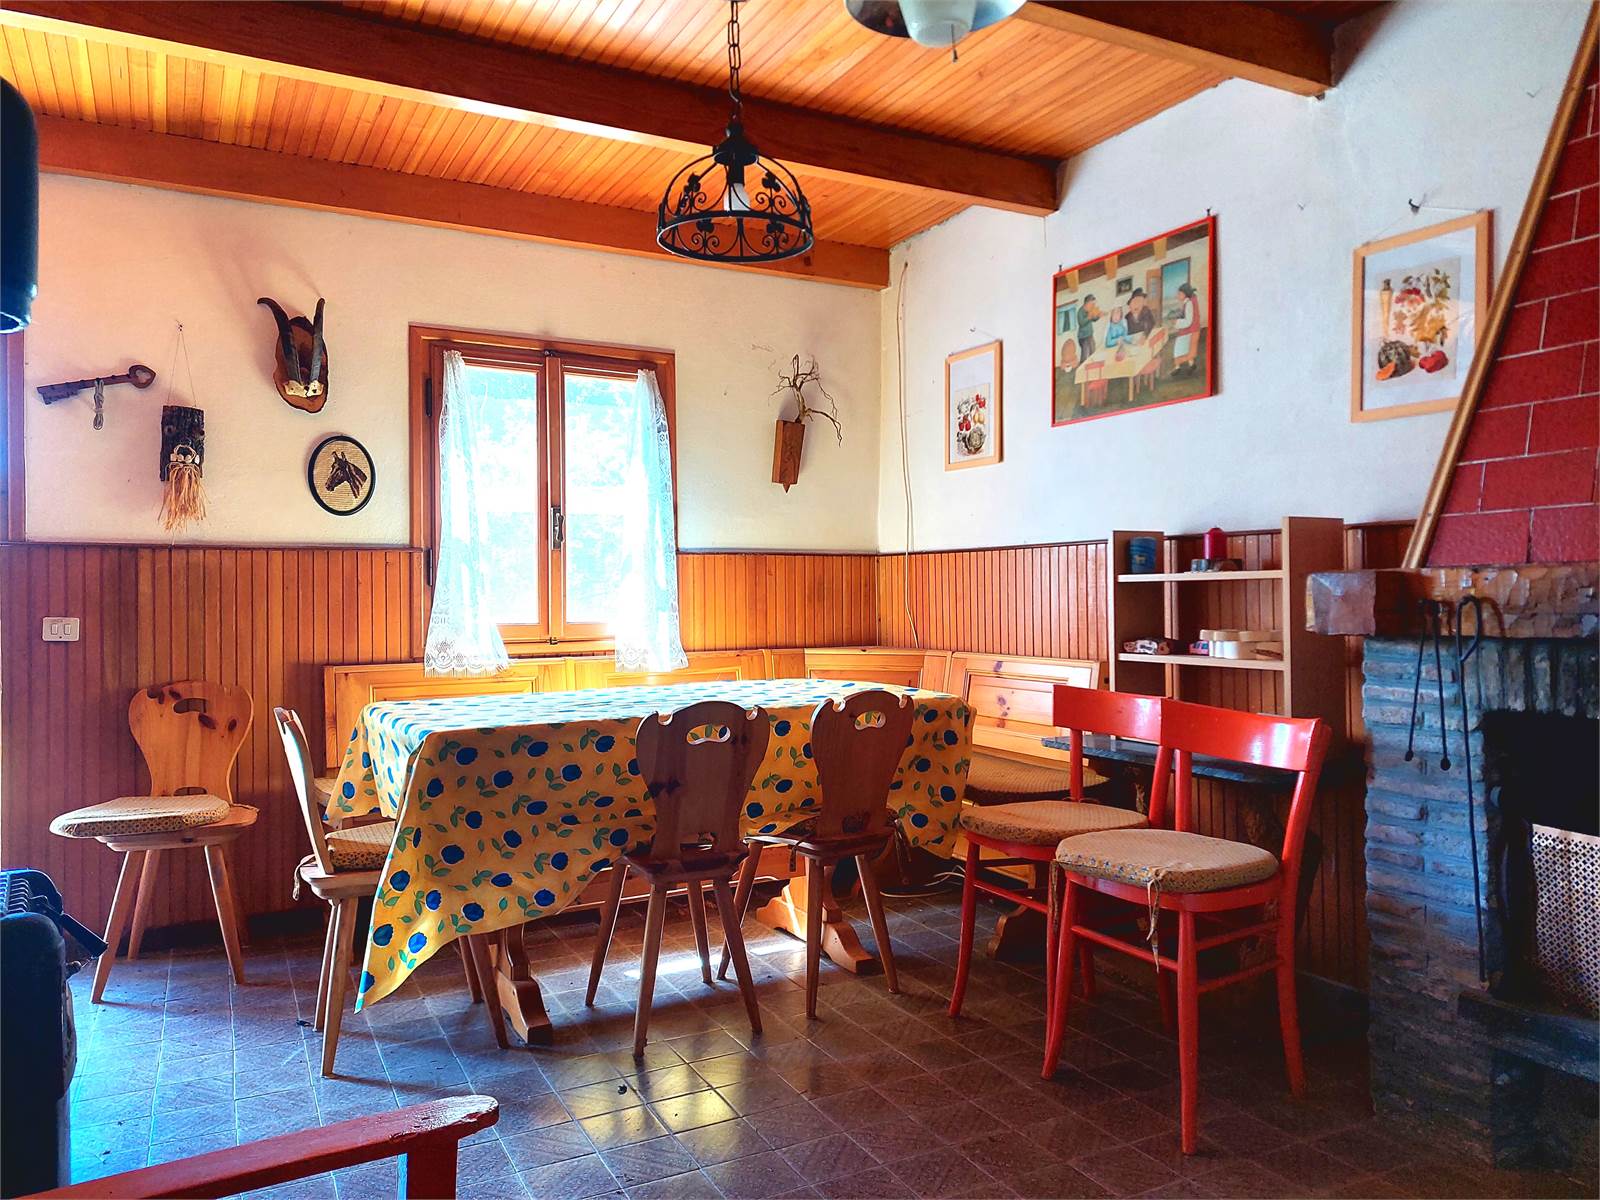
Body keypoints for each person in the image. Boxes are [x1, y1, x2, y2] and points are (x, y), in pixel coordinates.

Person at [1171, 283, 1202, 375]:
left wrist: (1176, 322)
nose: (1177, 295)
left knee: (1179, 348)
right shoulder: (1190, 301)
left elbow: (1188, 321)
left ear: (1185, 294)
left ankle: (1178, 367)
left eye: (1180, 294)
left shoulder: (1189, 304)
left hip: (1189, 330)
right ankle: (1190, 365)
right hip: (1193, 329)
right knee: (1188, 348)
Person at [1075, 295, 1102, 361]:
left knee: (1093, 351)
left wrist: (1098, 316)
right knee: (1085, 353)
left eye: (1094, 304)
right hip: (1083, 337)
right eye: (1092, 304)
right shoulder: (1080, 311)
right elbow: (1081, 323)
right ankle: (1083, 365)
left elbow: (1094, 319)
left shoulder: (1090, 310)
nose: (1093, 305)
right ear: (1087, 303)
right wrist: (1089, 317)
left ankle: (1092, 363)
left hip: (1090, 335)